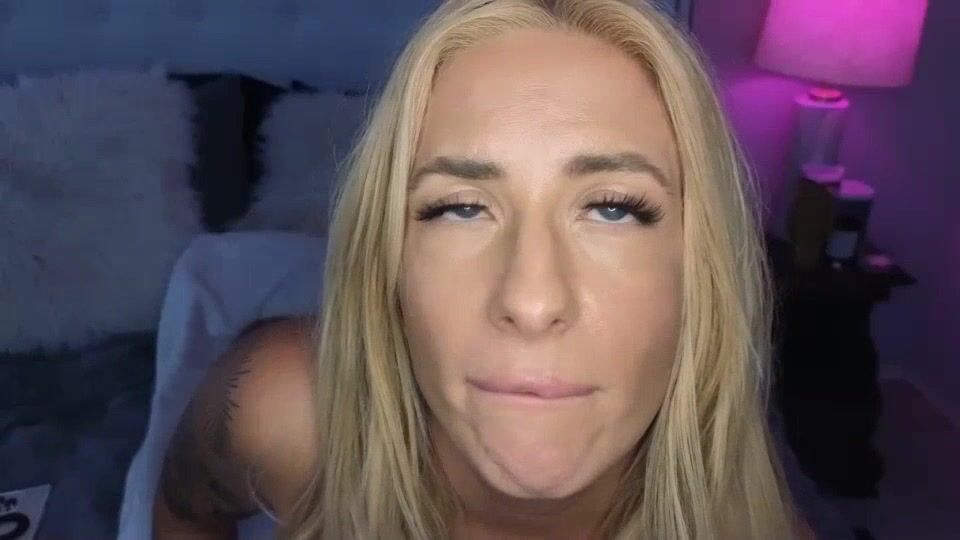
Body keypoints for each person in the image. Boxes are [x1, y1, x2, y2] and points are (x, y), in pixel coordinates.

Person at [153, 0, 814, 538]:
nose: (531, 300)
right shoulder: (282, 412)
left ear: (696, 272)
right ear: (387, 264)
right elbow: (184, 510)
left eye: (612, 208)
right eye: (461, 208)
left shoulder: (749, 521)